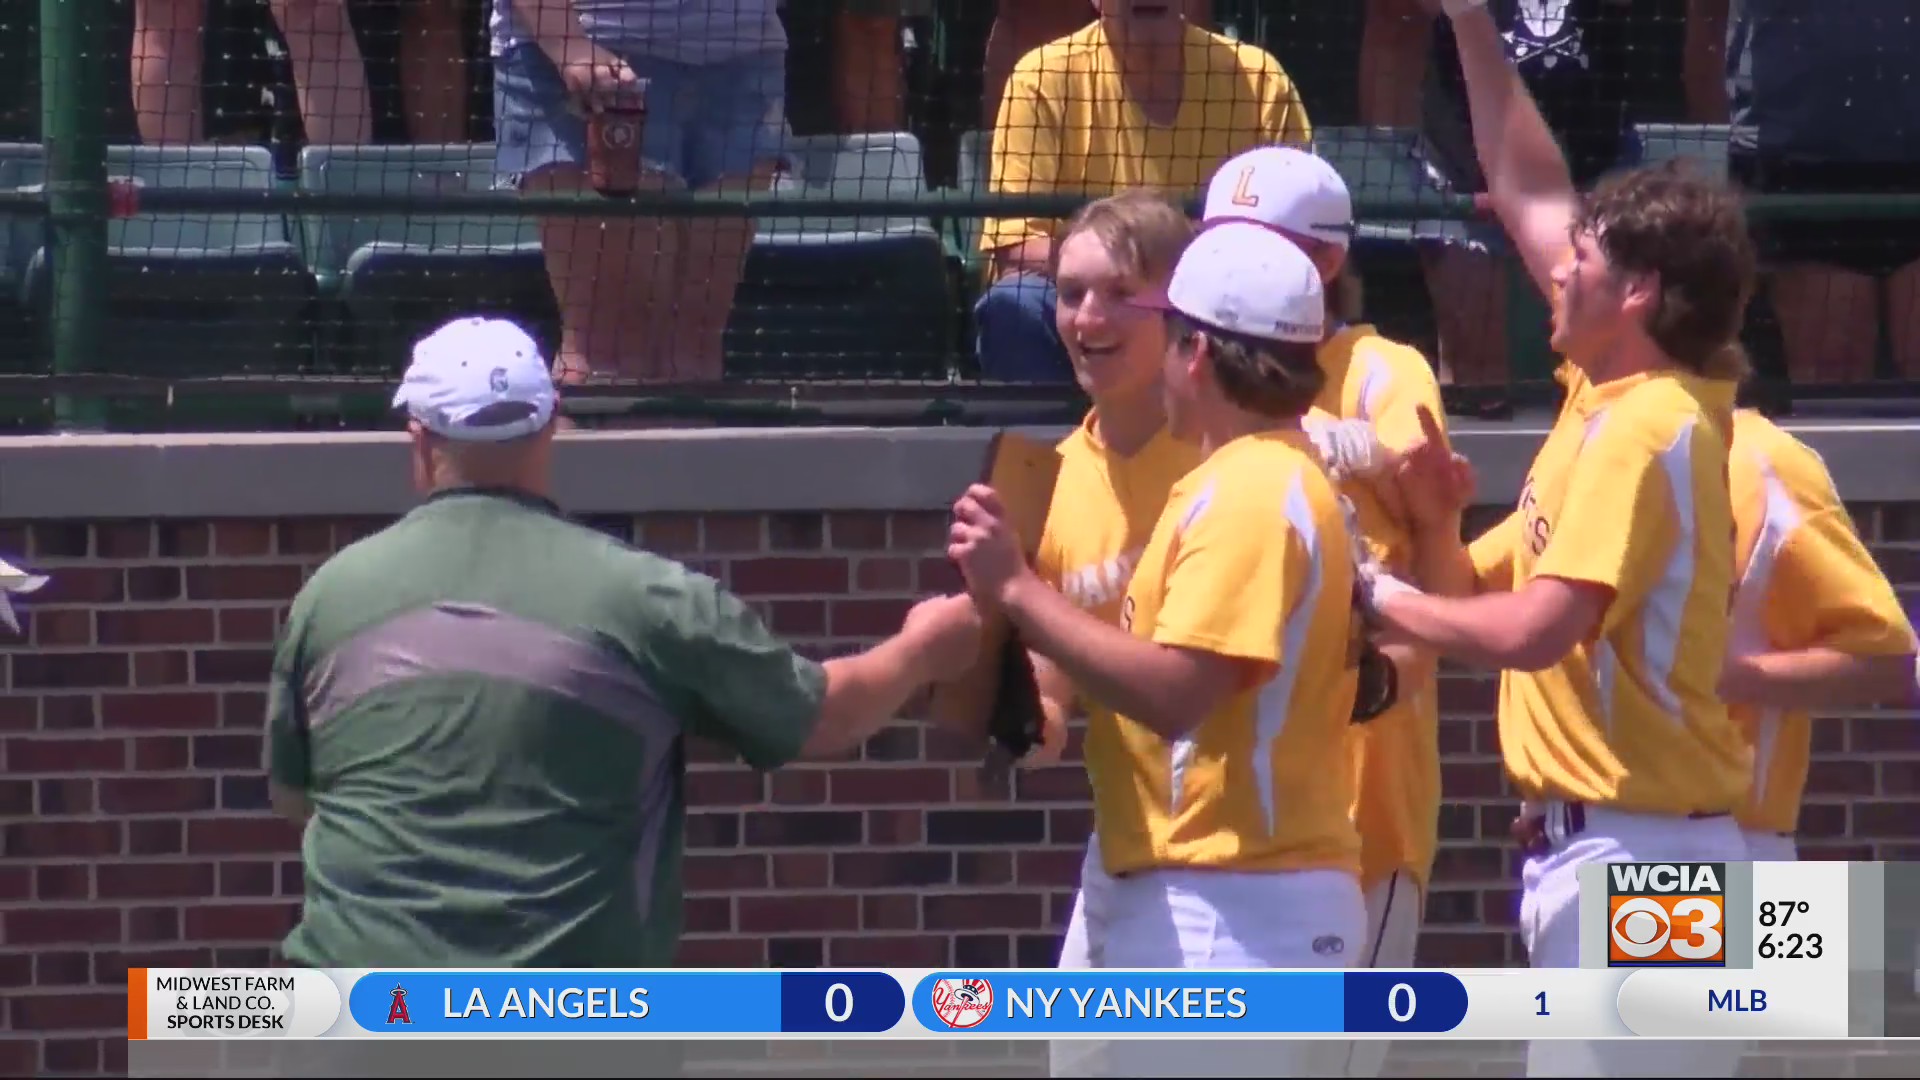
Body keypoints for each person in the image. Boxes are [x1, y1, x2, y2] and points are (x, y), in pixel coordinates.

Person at [263, 315, 983, 975]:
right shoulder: (645, 598)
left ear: (419, 439)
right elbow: (821, 716)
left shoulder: (327, 599)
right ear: (550, 429)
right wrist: (925, 648)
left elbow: (297, 799)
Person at [1359, 0, 1759, 1075]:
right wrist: (1469, 22)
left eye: (1578, 259)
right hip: (1600, 853)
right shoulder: (1603, 393)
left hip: (1653, 863)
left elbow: (1537, 631)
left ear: (1637, 292)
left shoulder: (1648, 424)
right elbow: (1531, 186)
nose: (1551, 262)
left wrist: (1377, 598)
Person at [948, 222, 1365, 1077]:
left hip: (1234, 897)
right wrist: (1032, 707)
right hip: (1168, 875)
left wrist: (1017, 590)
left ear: (1197, 353)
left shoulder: (1252, 489)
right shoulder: (1246, 475)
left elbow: (1179, 691)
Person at [1200, 144, 1455, 1072]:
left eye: (1254, 247)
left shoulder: (1381, 365)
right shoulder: (1202, 375)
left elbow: (1408, 461)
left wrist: (1271, 419)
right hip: (1248, 816)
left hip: (1367, 796)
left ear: (1327, 263)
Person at [974, 0, 1312, 382]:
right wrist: (1127, 281)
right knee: (1014, 304)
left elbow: (1297, 238)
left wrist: (1169, 286)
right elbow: (1016, 245)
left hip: (1215, 299)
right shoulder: (1040, 78)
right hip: (1091, 295)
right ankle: (1044, 441)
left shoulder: (1261, 80)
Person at [491, 0, 790, 384]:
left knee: (693, 351)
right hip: (592, 50)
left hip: (744, 50)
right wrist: (570, 45)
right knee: (609, 351)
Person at [1720, 408, 1919, 861]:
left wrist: (1717, 676)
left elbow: (1890, 655)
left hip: (1725, 844)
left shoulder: (1762, 459)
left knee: (1883, 922)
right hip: (1567, 843)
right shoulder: (1576, 450)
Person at [1687, 0, 1920, 384]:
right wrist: (1715, 150)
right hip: (1801, 168)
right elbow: (1706, 18)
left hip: (1906, 163)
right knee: (1833, 381)